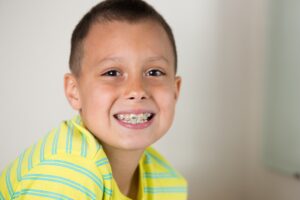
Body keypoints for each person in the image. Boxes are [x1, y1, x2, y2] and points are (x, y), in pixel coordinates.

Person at [0, 0, 187, 199]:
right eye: (113, 72)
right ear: (74, 92)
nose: (136, 90)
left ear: (175, 91)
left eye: (154, 72)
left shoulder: (169, 182)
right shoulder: (66, 174)